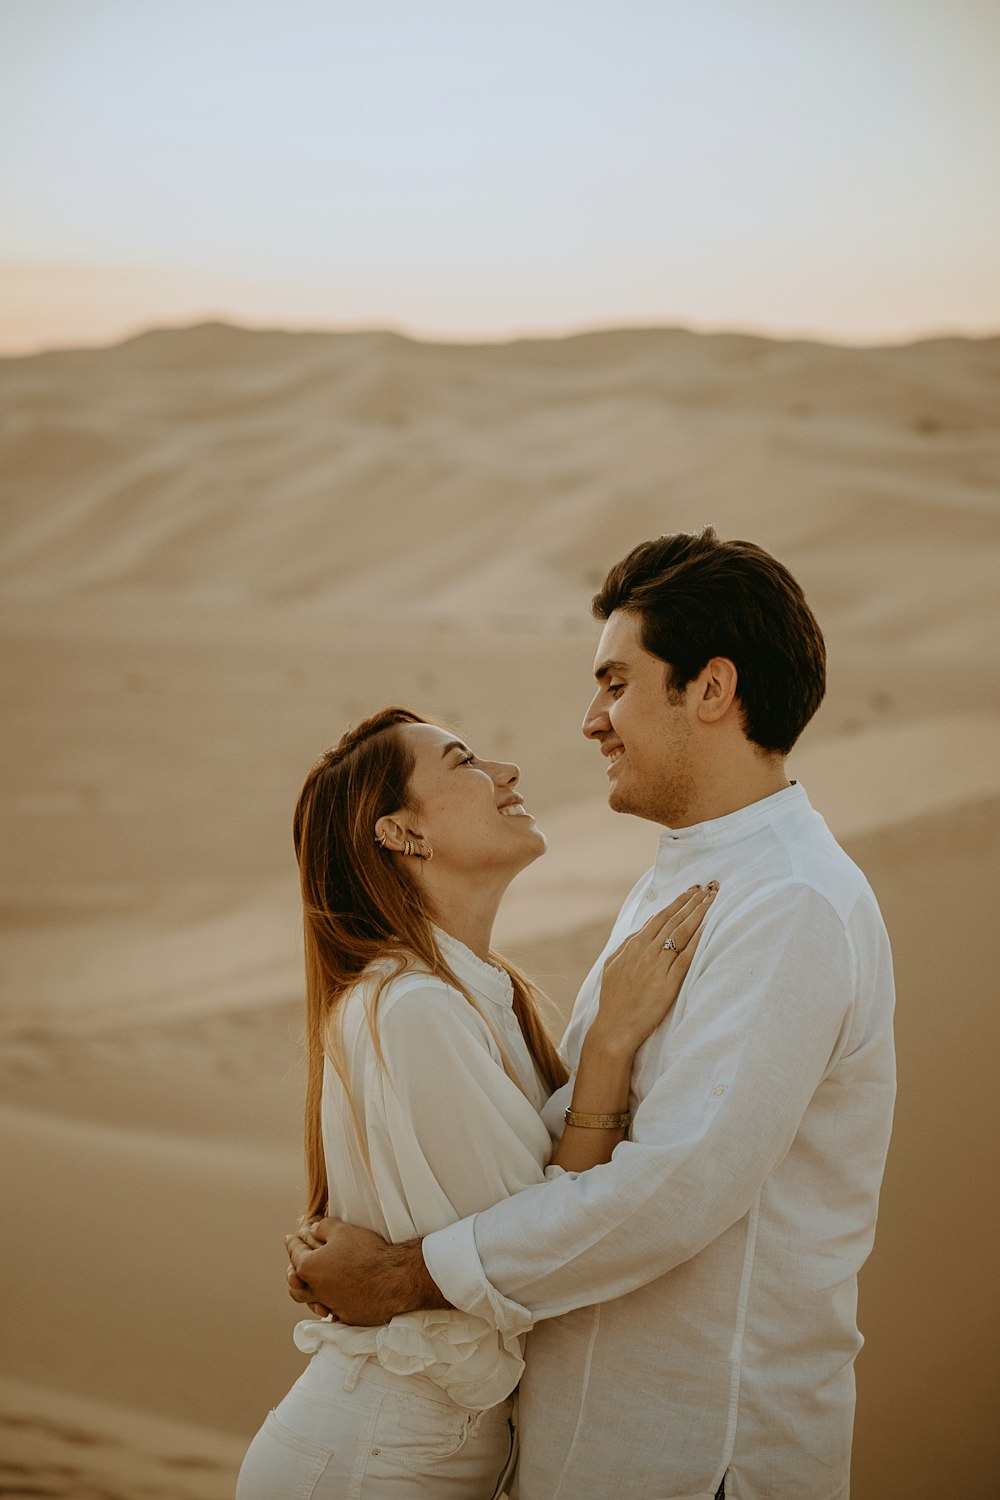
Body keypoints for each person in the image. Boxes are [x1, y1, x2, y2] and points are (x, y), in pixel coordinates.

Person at [287, 528, 897, 1500]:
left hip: (697, 1458)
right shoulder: (688, 884)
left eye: (616, 683)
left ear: (709, 690)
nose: (590, 721)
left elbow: (672, 1190)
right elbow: (548, 1153)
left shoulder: (788, 904)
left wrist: (405, 1278)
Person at [236, 705, 716, 1499]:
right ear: (401, 833)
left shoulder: (466, 994)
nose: (506, 773)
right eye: (464, 762)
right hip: (374, 1462)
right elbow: (542, 1247)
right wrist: (608, 1049)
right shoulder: (414, 1008)